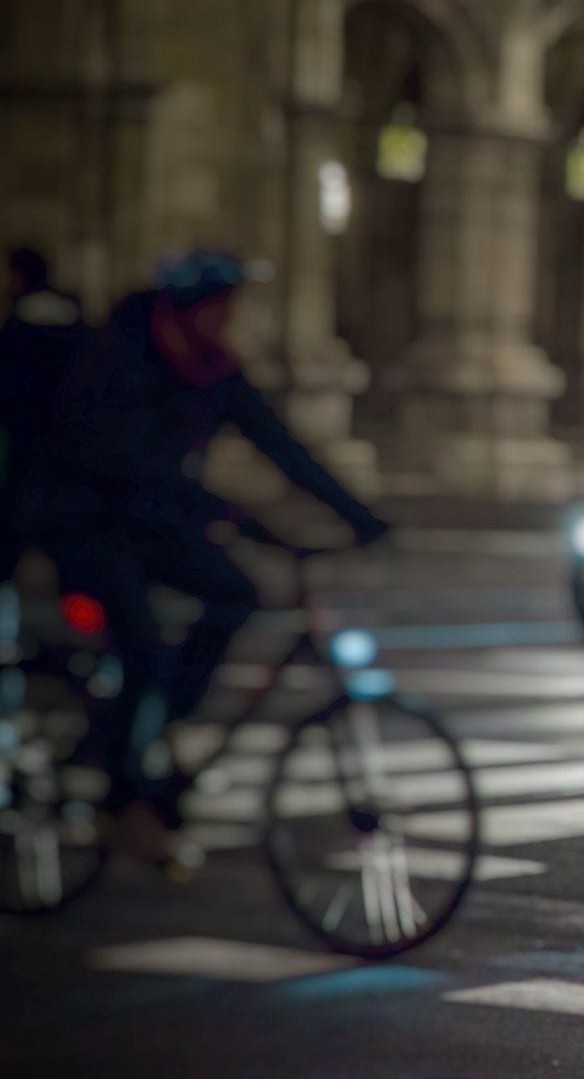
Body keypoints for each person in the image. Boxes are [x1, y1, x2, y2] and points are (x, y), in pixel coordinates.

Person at [21, 248, 388, 837]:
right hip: (83, 522)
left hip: (146, 523)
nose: (228, 319)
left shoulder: (211, 368)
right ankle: (120, 795)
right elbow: (130, 465)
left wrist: (361, 517)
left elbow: (281, 446)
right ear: (187, 309)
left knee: (236, 592)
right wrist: (238, 518)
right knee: (142, 644)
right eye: (220, 307)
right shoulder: (121, 356)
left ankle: (165, 717)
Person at [1, 247, 89, 581]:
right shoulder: (72, 312)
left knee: (19, 510)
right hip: (69, 433)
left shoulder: (21, 320)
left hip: (27, 432)